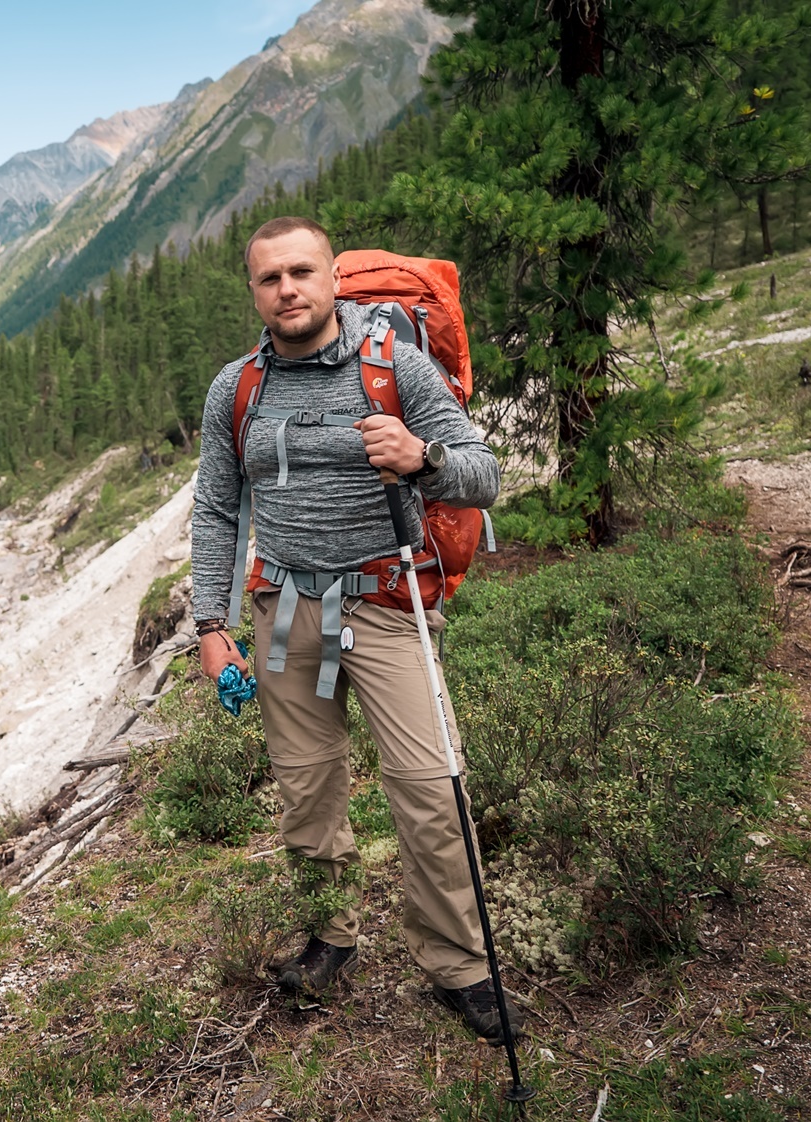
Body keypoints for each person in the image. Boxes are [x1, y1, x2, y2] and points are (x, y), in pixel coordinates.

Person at [188, 215, 518, 1043]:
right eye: (270, 278)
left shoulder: (392, 365)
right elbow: (217, 509)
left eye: (302, 272)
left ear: (333, 278)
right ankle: (331, 935)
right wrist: (209, 624)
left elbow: (485, 472)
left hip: (384, 600)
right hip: (281, 609)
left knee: (430, 785)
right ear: (255, 291)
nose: (288, 289)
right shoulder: (236, 389)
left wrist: (422, 456)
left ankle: (461, 965)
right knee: (306, 793)